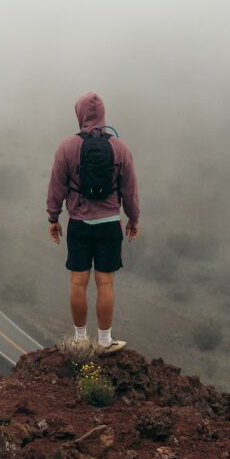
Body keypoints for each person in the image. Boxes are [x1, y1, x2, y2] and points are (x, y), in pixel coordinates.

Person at [46, 91, 140, 354]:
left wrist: (53, 218)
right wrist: (133, 218)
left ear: (79, 114)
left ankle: (79, 340)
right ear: (102, 115)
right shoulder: (120, 148)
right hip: (110, 224)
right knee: (105, 283)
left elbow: (56, 186)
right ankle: (104, 341)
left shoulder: (67, 147)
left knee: (78, 281)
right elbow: (130, 189)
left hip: (78, 224)